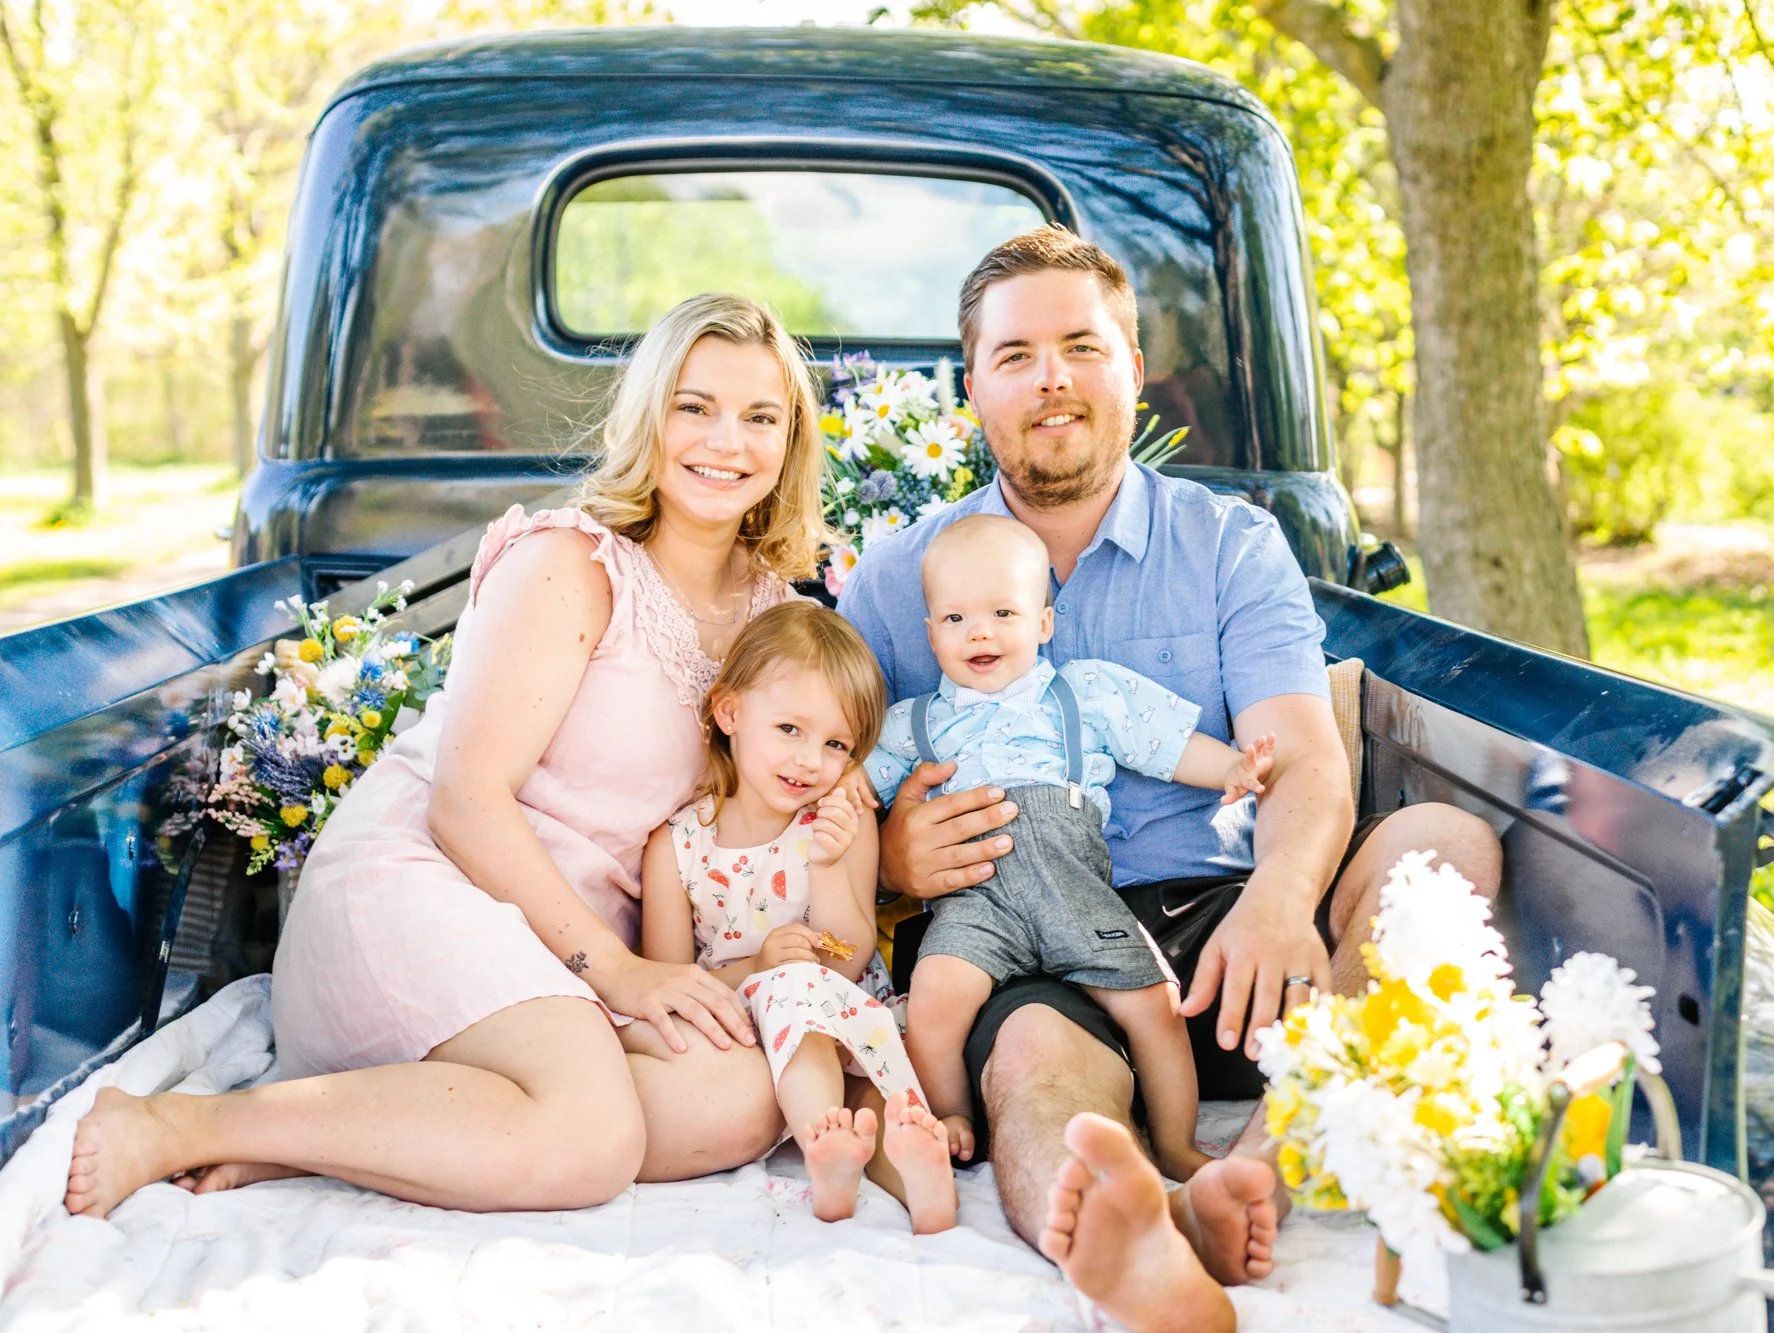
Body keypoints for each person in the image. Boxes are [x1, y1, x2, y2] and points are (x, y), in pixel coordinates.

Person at [837, 226, 1503, 1332]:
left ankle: (1250, 1173)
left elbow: (1299, 755)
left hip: (1232, 928)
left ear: (1131, 370)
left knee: (1444, 847)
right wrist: (894, 866)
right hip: (1028, 939)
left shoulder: (1229, 544)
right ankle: (1123, 1224)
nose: (1049, 378)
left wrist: (1283, 902)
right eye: (1013, 356)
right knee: (1035, 1060)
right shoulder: (897, 573)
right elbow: (823, 789)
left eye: (1080, 346)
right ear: (973, 390)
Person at [65, 293, 830, 1219]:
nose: (726, 440)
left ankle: (367, 1135)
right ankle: (191, 1124)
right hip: (430, 882)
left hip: (564, 949)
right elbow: (465, 802)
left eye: (761, 416)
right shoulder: (573, 562)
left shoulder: (776, 614)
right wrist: (621, 973)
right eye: (694, 405)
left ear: (792, 440)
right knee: (591, 1140)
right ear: (647, 416)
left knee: (739, 1099)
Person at [863, 514, 1274, 1183]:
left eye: (1003, 612)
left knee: (1155, 1004)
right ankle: (953, 1113)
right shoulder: (915, 723)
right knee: (935, 997)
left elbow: (1162, 744)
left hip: (1073, 890)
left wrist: (1229, 768)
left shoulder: (1082, 693)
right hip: (976, 900)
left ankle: (1175, 1142)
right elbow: (856, 784)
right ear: (931, 631)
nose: (981, 632)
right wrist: (846, 806)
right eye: (956, 619)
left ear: (1044, 623)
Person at [634, 602, 958, 1232]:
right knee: (788, 992)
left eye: (836, 743)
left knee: (874, 1103)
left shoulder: (837, 822)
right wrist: (756, 967)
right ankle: (824, 1146)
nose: (811, 760)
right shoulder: (675, 845)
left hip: (841, 1015)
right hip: (742, 1033)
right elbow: (668, 983)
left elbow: (852, 954)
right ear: (729, 712)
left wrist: (832, 862)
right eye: (789, 729)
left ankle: (919, 1181)